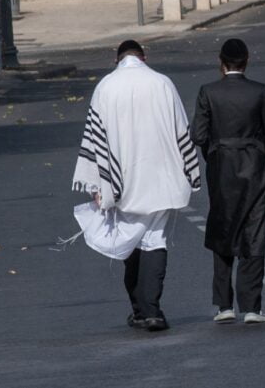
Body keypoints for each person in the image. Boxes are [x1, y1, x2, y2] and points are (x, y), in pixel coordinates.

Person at [71, 40, 201, 332]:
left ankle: (140, 309)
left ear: (116, 59)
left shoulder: (106, 86)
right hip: (161, 175)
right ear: (144, 57)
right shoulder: (162, 83)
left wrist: (97, 184)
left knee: (130, 240)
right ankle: (151, 309)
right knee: (154, 239)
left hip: (122, 178)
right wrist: (191, 172)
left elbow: (94, 138)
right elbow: (181, 129)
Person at [191, 39, 265, 325]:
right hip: (253, 166)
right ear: (246, 60)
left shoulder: (208, 92)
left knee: (222, 230)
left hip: (221, 168)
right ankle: (251, 305)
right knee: (253, 232)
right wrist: (258, 150)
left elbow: (198, 135)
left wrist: (214, 152)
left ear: (221, 62)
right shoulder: (259, 91)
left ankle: (223, 305)